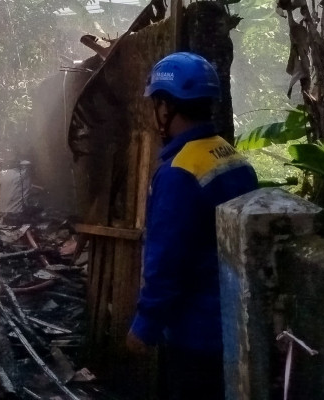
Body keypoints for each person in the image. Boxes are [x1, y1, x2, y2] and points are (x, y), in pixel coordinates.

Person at [127, 52, 258, 400]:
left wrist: (145, 326)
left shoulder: (179, 172)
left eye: (157, 103)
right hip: (236, 323)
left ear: (167, 107)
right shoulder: (231, 156)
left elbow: (167, 261)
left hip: (195, 334)